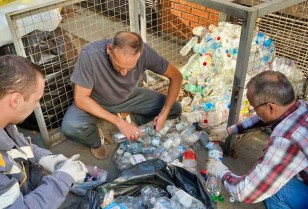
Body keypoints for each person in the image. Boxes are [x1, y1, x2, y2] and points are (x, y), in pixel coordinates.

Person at [61, 31, 183, 160]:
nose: (124, 73)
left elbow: (176, 76)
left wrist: (164, 113)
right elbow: (81, 99)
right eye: (118, 66)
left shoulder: (145, 52)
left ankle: (131, 120)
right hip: (94, 101)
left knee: (175, 108)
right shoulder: (90, 55)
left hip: (127, 97)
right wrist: (118, 122)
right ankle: (96, 140)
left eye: (130, 68)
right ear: (109, 49)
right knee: (71, 127)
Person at [206, 70, 308, 208]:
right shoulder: (300, 107)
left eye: (255, 108)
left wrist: (220, 171)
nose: (255, 113)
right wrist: (229, 131)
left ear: (270, 107)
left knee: (273, 189)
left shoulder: (285, 140)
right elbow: (265, 118)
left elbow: (246, 192)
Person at [0, 55, 88, 209]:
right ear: (15, 100)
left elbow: (16, 146)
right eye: (36, 100)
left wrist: (46, 158)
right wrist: (63, 179)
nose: (36, 106)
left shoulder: (5, 121)